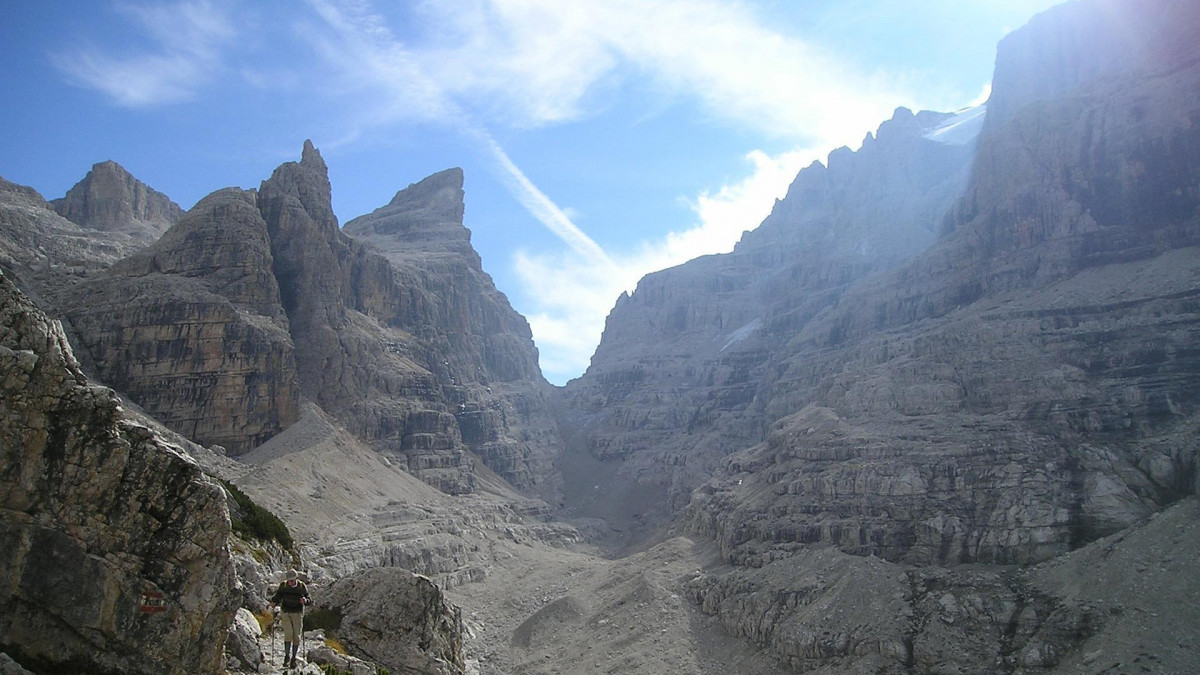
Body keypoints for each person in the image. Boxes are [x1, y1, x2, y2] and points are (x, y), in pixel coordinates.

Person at [270, 569, 310, 667]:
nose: (290, 582)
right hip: (286, 612)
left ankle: (294, 658)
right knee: (288, 634)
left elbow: (309, 599)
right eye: (289, 580)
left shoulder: (301, 587)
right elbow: (278, 595)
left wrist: (305, 601)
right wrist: (274, 602)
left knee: (296, 636)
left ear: (296, 578)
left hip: (297, 613)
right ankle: (287, 656)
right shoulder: (284, 585)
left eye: (292, 580)